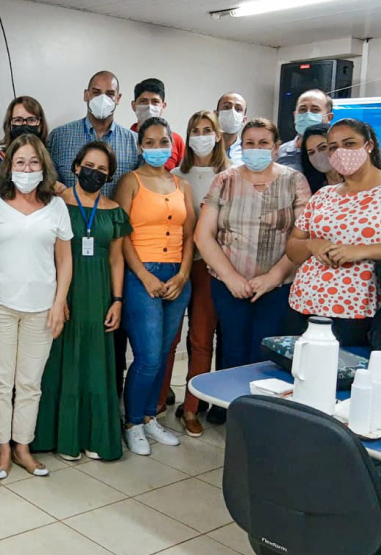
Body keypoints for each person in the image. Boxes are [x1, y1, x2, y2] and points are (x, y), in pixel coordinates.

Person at [286, 118, 381, 344]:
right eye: (333, 148)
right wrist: (312, 245)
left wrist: (360, 251)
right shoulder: (324, 195)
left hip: (361, 310)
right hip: (305, 304)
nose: (341, 152)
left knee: (348, 374)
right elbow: (293, 248)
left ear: (368, 145)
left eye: (349, 144)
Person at [196, 119, 311, 396]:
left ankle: (262, 415)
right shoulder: (225, 180)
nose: (256, 149)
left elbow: (303, 237)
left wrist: (274, 277)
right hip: (228, 285)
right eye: (250, 143)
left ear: (275, 148)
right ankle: (231, 409)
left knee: (266, 354)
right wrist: (231, 278)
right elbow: (203, 235)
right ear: (241, 147)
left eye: (263, 143)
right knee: (232, 351)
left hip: (278, 286)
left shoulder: (294, 181)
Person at [33, 141, 131, 462]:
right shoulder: (56, 202)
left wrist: (117, 300)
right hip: (64, 291)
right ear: (76, 167)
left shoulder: (114, 211)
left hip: (100, 294)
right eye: (89, 166)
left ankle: (94, 436)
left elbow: (117, 260)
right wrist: (56, 298)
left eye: (102, 170)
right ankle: (59, 436)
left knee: (95, 364)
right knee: (60, 361)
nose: (94, 173)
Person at [0, 134, 73, 480]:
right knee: (0, 382)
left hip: (42, 308)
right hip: (0, 307)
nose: (27, 168)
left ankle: (23, 447)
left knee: (31, 383)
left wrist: (59, 302)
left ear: (44, 167)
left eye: (34, 162)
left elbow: (64, 260)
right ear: (9, 167)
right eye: (20, 162)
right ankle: (2, 448)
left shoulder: (56, 207)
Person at [114, 117, 195, 455]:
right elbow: (122, 235)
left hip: (177, 275)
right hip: (141, 274)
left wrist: (182, 275)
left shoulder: (182, 186)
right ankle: (131, 422)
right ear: (140, 146)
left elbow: (190, 235)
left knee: (164, 355)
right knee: (146, 357)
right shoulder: (130, 182)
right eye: (150, 142)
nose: (157, 148)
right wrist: (144, 276)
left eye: (163, 141)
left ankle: (150, 417)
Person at [159, 111, 230, 437]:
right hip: (176, 263)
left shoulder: (231, 174)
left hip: (211, 267)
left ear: (218, 135)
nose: (201, 136)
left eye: (207, 130)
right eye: (194, 130)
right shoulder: (175, 174)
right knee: (169, 338)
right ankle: (159, 401)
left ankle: (191, 408)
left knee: (201, 340)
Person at [47, 71, 138, 197]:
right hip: (68, 215)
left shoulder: (133, 142)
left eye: (110, 94)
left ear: (118, 98)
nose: (103, 99)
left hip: (114, 216)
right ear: (86, 95)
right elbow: (48, 182)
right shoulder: (58, 137)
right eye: (96, 92)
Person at [0, 96, 50, 193]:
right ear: (9, 124)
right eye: (18, 120)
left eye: (31, 120)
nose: (25, 125)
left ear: (40, 124)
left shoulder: (49, 163)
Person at [129, 78, 185, 171]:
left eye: (155, 102)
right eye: (143, 101)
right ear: (134, 105)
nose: (149, 107)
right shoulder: (125, 139)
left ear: (163, 106)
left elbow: (182, 174)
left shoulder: (176, 141)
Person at [277, 89, 334, 173]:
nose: (307, 114)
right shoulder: (279, 153)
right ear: (295, 115)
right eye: (302, 109)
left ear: (329, 117)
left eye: (315, 110)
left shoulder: (336, 150)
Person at [299, 123, 341, 193]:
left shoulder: (359, 182)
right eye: (311, 152)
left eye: (323, 147)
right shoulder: (310, 189)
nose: (318, 155)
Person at [216, 92, 247, 166]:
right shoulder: (204, 147)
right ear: (216, 115)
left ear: (244, 120)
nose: (232, 112)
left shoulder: (247, 153)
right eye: (227, 107)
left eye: (238, 109)